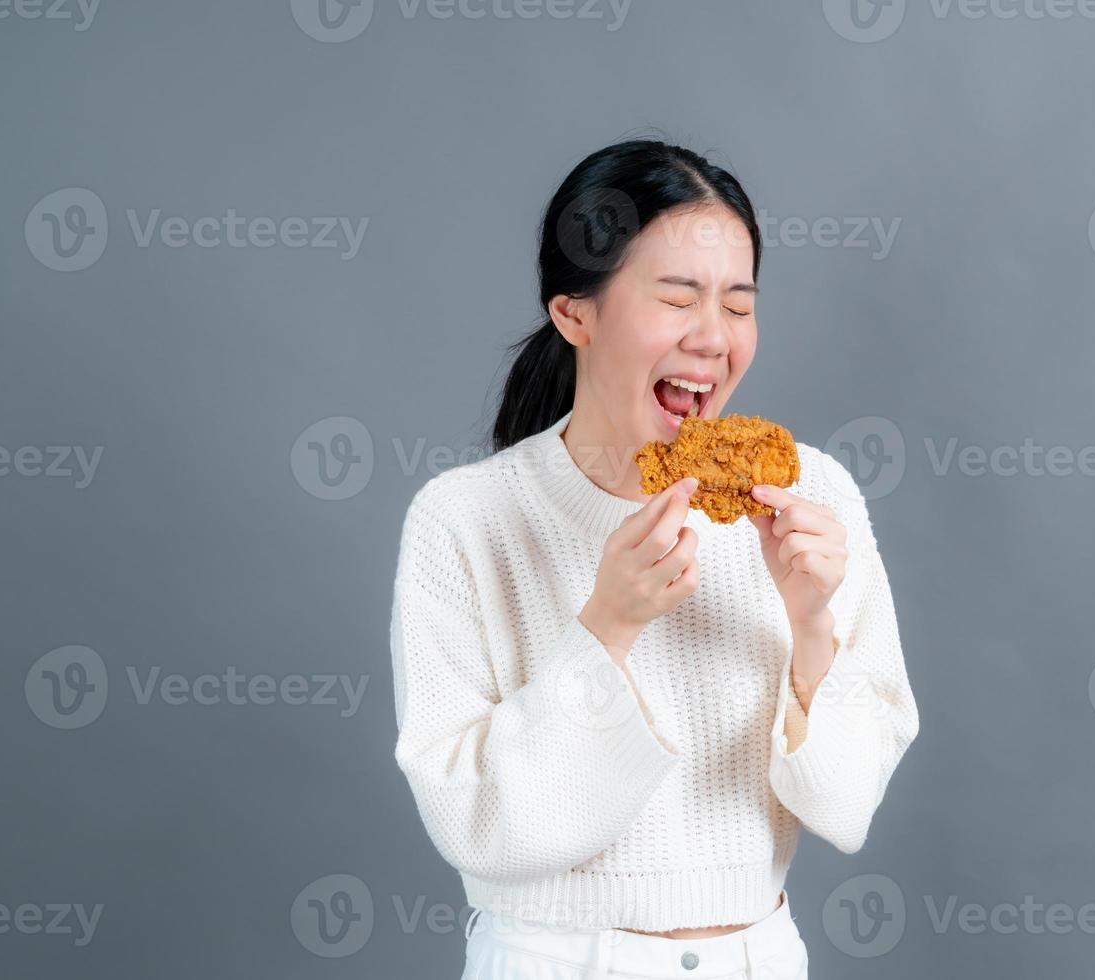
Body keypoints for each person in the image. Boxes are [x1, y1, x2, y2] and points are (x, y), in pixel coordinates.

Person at [388, 137, 920, 979]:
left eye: (738, 305)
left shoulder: (816, 497)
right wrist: (605, 631)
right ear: (576, 314)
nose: (713, 337)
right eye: (677, 299)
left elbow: (846, 808)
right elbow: (476, 824)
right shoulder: (465, 522)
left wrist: (812, 622)